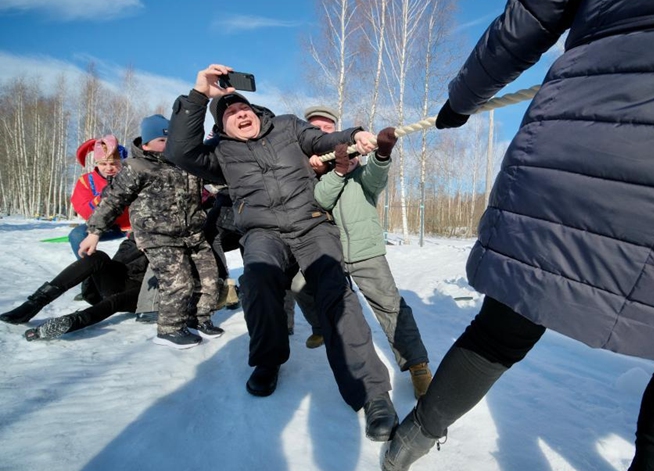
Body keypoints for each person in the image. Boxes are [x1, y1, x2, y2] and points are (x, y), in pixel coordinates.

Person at [382, 1, 654, 471]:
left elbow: (527, 21)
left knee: (504, 322)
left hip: (578, 143)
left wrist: (462, 100)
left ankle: (411, 440)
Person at [165, 64, 398, 442]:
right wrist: (198, 95)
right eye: (227, 113)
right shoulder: (219, 154)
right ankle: (268, 361)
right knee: (257, 280)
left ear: (255, 111)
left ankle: (371, 393)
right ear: (220, 128)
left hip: (310, 224)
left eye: (242, 108)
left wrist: (355, 135)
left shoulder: (288, 127)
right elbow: (178, 150)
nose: (238, 113)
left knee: (335, 289)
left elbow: (324, 140)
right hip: (262, 232)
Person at [304, 106, 433, 399]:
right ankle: (320, 326)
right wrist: (333, 171)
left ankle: (417, 366)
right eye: (316, 130)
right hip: (329, 255)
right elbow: (321, 198)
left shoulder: (360, 173)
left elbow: (376, 178)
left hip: (365, 253)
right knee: (301, 285)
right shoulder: (309, 174)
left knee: (390, 306)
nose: (323, 134)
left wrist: (382, 155)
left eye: (328, 128)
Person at [79, 114, 223, 350]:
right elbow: (113, 200)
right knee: (179, 282)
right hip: (158, 236)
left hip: (192, 234)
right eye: (162, 140)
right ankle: (169, 329)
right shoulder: (137, 167)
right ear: (146, 144)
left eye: (172, 139)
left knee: (208, 279)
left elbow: (210, 183)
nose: (169, 145)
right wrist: (95, 231)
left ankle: (198, 319)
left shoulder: (186, 163)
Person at [0, 233, 147, 340]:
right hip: (120, 281)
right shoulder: (141, 230)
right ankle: (34, 303)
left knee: (117, 300)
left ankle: (70, 322)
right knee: (98, 257)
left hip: (147, 292)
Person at [68, 135, 131, 259]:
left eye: (114, 163)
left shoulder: (131, 178)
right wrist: (102, 197)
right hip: (101, 226)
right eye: (103, 164)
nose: (109, 168)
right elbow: (85, 211)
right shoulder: (86, 181)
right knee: (76, 235)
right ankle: (90, 271)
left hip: (130, 225)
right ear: (97, 163)